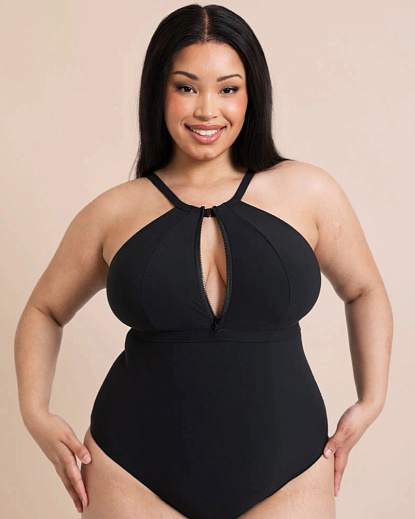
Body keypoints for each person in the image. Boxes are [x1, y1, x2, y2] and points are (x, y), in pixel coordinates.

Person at [14, 4, 393, 519]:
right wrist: (34, 412)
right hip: (131, 470)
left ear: (252, 94)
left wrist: (372, 400)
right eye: (186, 87)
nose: (207, 110)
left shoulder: (309, 192)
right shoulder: (113, 212)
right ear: (159, 91)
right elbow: (44, 310)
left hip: (290, 468)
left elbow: (365, 289)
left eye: (228, 89)